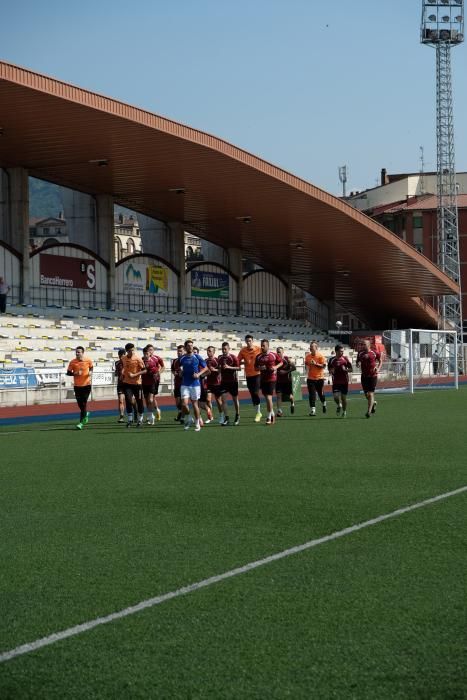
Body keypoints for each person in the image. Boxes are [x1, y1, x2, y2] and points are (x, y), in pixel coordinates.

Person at [179, 339, 208, 431]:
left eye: (192, 345)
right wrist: (180, 372)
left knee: (195, 404)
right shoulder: (182, 358)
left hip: (195, 384)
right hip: (185, 384)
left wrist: (198, 374)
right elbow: (179, 369)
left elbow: (206, 368)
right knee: (184, 404)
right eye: (189, 345)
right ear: (185, 347)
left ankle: (197, 423)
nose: (190, 347)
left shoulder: (197, 357)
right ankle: (189, 418)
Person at [254, 339, 283, 425]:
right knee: (266, 398)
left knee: (269, 398)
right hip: (263, 379)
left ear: (268, 346)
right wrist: (260, 368)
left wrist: (275, 367)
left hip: (272, 379)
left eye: (264, 345)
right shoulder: (258, 356)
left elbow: (281, 362)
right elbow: (255, 367)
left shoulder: (273, 355)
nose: (262, 347)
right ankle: (272, 413)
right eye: (261, 345)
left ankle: (269, 416)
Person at [66, 346, 93, 430]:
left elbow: (91, 367)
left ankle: (81, 423)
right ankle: (86, 414)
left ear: (82, 353)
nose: (77, 353)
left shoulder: (88, 360)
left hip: (87, 385)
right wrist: (76, 373)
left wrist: (91, 372)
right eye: (76, 352)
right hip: (77, 386)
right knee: (80, 404)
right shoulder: (73, 362)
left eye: (79, 352)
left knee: (84, 403)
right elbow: (68, 373)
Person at [238, 335, 262, 422]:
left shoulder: (258, 349)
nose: (249, 342)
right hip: (248, 375)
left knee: (255, 392)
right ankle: (257, 413)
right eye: (247, 341)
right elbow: (238, 360)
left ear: (252, 341)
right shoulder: (243, 350)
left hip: (257, 374)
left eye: (250, 341)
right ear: (245, 342)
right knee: (252, 394)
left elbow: (265, 357)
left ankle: (259, 413)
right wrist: (241, 363)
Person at [121, 342, 145, 427]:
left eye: (133, 350)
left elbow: (145, 370)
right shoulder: (123, 358)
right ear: (127, 351)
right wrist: (122, 372)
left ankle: (140, 419)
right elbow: (124, 367)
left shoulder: (138, 359)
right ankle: (130, 420)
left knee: (139, 401)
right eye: (130, 351)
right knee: (128, 400)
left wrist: (134, 375)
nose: (132, 352)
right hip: (127, 383)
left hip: (137, 384)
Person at [356, 339, 382, 418]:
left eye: (364, 344)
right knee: (366, 395)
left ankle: (368, 412)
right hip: (364, 376)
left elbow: (380, 361)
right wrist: (357, 364)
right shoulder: (360, 353)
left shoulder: (375, 352)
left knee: (370, 394)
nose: (362, 345)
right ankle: (373, 403)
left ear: (369, 345)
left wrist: (378, 368)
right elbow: (357, 361)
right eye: (362, 344)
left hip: (373, 376)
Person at [218, 342, 240, 425]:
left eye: (225, 349)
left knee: (235, 400)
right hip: (224, 382)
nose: (224, 351)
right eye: (222, 349)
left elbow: (238, 368)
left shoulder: (233, 357)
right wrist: (219, 371)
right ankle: (226, 418)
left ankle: (237, 415)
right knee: (223, 400)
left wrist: (229, 367)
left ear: (229, 349)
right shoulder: (220, 358)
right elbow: (219, 369)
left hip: (233, 382)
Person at [327, 344, 352, 418]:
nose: (342, 353)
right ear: (336, 351)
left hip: (344, 381)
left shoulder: (345, 359)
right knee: (335, 397)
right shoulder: (331, 360)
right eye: (341, 351)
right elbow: (330, 369)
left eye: (343, 351)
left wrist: (346, 370)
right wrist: (331, 371)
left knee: (343, 398)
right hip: (336, 382)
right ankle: (339, 405)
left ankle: (344, 411)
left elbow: (351, 369)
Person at [141, 345, 163, 425]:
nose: (150, 351)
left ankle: (154, 411)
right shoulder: (141, 360)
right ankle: (151, 414)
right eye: (148, 350)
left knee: (151, 398)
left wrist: (157, 373)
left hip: (154, 381)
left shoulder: (156, 359)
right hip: (144, 382)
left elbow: (162, 367)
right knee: (148, 399)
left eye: (151, 350)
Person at [305, 341, 327, 416]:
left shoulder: (320, 356)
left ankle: (324, 403)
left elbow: (324, 366)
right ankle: (313, 410)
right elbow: (306, 364)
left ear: (316, 348)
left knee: (321, 394)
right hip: (310, 378)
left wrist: (316, 364)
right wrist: (307, 370)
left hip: (319, 378)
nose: (311, 348)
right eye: (310, 347)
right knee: (312, 394)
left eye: (312, 347)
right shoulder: (307, 356)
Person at [205, 345, 224, 423]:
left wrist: (215, 370)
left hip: (217, 383)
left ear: (214, 352)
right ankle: (211, 416)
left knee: (218, 401)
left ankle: (221, 416)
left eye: (210, 351)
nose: (208, 352)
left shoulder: (217, 360)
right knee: (208, 400)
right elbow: (203, 370)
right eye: (207, 350)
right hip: (208, 383)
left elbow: (221, 370)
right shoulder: (205, 361)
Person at [275, 347, 295, 416]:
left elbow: (294, 368)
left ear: (283, 352)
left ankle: (292, 404)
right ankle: (279, 411)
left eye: (279, 352)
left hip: (287, 381)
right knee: (278, 396)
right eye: (277, 352)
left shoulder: (287, 359)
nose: (278, 353)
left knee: (290, 397)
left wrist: (286, 372)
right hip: (278, 381)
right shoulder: (275, 360)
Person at [171, 345, 185, 422]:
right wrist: (175, 373)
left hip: (184, 384)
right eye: (178, 351)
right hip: (177, 384)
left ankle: (183, 417)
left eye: (181, 351)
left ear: (184, 351)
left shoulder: (186, 360)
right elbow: (173, 370)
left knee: (183, 403)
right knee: (177, 403)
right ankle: (180, 412)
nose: (179, 353)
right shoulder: (175, 361)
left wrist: (183, 374)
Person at [114, 348, 126, 422]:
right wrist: (117, 373)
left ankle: (135, 409)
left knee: (131, 401)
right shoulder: (117, 363)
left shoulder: (128, 362)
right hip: (120, 384)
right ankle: (121, 416)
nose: (121, 357)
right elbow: (116, 373)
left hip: (128, 383)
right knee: (121, 400)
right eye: (120, 355)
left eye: (122, 355)